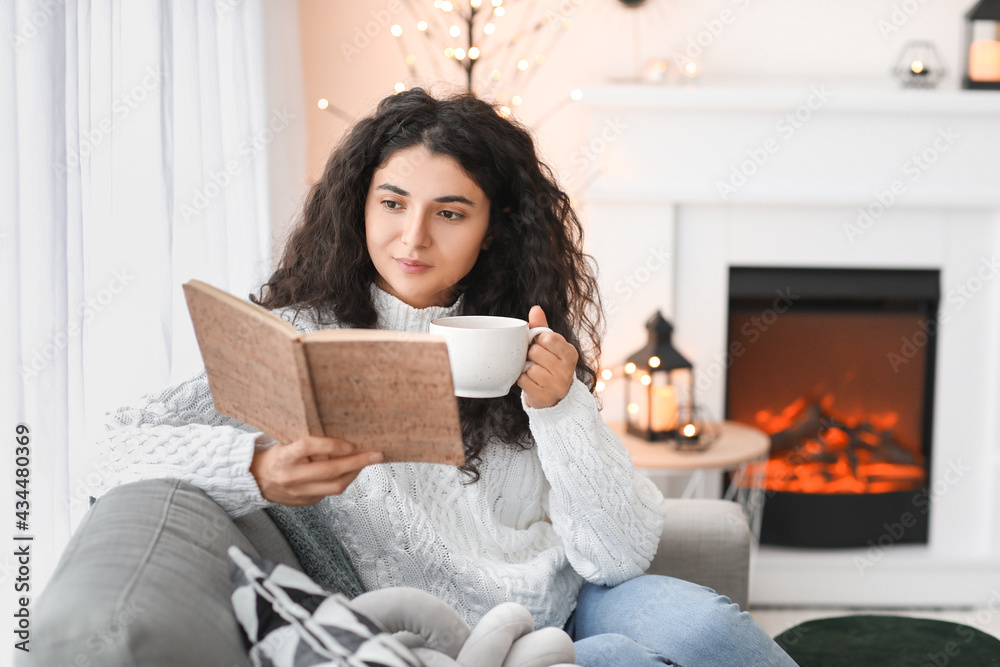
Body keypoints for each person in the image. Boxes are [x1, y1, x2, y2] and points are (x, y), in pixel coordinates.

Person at [96, 87, 797, 666]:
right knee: (620, 658)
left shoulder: (525, 330)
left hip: (570, 600)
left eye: (450, 213)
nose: (413, 238)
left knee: (701, 630)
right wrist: (258, 469)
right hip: (439, 641)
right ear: (359, 203)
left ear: (492, 228)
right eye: (392, 202)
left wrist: (562, 409)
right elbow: (111, 447)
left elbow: (618, 554)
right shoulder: (300, 332)